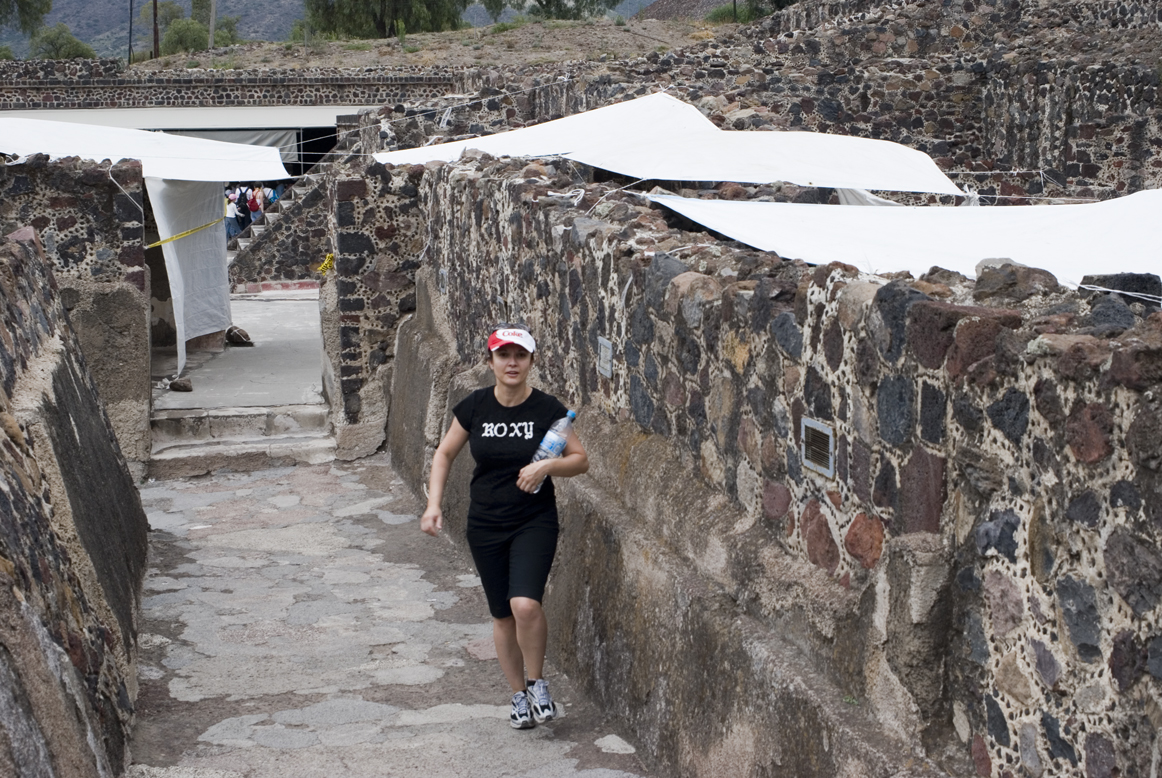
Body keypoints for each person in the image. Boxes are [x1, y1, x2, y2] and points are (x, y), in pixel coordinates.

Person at [421, 325, 589, 730]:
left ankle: (537, 683)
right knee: (502, 615)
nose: (512, 363)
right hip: (484, 523)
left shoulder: (548, 409)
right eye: (503, 355)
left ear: (531, 361)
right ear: (490, 361)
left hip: (533, 519)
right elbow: (444, 453)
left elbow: (580, 460)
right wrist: (433, 504)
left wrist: (548, 465)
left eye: (520, 355)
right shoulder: (475, 406)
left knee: (525, 604)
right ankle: (518, 697)